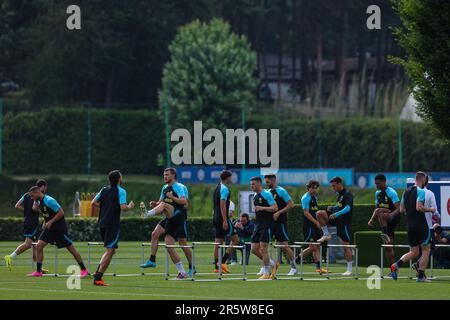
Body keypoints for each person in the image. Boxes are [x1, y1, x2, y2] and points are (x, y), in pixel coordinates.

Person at [28, 186, 89, 278]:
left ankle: (84, 270)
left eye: (32, 196)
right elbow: (47, 213)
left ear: (37, 193)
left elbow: (61, 213)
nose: (32, 198)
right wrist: (46, 222)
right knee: (38, 246)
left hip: (59, 228)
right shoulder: (39, 201)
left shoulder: (49, 200)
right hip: (50, 229)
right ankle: (38, 271)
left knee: (71, 249)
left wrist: (50, 222)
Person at [140, 175, 194, 277]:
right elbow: (161, 203)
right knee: (156, 235)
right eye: (164, 175)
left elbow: (185, 204)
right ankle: (152, 260)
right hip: (169, 217)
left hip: (178, 217)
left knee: (183, 244)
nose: (165, 176)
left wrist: (172, 198)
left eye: (167, 175)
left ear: (173, 176)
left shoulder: (180, 187)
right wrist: (155, 204)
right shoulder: (164, 188)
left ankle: (192, 266)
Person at [91, 170, 135, 286]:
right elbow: (123, 207)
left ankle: (97, 272)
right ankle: (98, 278)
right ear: (119, 179)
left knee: (110, 250)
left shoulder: (103, 190)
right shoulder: (121, 191)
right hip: (112, 224)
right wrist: (130, 206)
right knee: (110, 250)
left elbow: (93, 202)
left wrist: (105, 206)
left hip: (102, 223)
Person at [390, 171, 435, 282]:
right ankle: (421, 276)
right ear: (423, 179)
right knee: (426, 250)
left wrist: (410, 212)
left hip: (410, 225)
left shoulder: (406, 192)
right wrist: (430, 210)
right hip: (420, 225)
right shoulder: (421, 191)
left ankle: (396, 265)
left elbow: (401, 210)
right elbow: (419, 207)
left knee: (414, 251)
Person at [5, 180, 48, 272]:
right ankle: (10, 257)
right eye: (45, 187)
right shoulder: (38, 198)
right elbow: (34, 208)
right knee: (29, 244)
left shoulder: (26, 195)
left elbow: (17, 206)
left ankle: (38, 268)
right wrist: (42, 212)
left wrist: (26, 211)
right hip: (32, 223)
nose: (45, 189)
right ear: (42, 187)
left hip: (27, 221)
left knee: (35, 245)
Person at [316, 177, 354, 276]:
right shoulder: (340, 195)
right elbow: (340, 206)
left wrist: (336, 214)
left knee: (345, 245)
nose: (333, 188)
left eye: (333, 186)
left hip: (344, 222)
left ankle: (349, 269)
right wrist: (333, 208)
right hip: (337, 220)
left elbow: (348, 208)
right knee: (319, 213)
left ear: (339, 184)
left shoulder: (347, 194)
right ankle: (326, 234)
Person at [263, 174, 297, 275]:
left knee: (284, 246)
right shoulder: (267, 192)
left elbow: (291, 204)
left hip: (280, 223)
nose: (266, 183)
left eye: (268, 182)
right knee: (263, 245)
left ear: (273, 180)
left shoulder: (281, 191)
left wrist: (279, 212)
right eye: (265, 182)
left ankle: (294, 267)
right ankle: (266, 266)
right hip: (269, 223)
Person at [367, 174, 401, 264]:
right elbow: (376, 209)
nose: (376, 186)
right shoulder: (377, 193)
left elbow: (399, 208)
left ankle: (385, 233)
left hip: (393, 216)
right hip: (384, 219)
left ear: (384, 182)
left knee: (380, 211)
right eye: (375, 184)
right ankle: (393, 269)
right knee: (388, 247)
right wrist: (371, 219)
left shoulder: (391, 192)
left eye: (378, 183)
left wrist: (391, 215)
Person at [250, 176, 278, 280]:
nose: (251, 186)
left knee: (263, 249)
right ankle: (272, 263)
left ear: (258, 183)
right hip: (258, 225)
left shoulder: (266, 194)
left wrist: (262, 208)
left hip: (266, 225)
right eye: (251, 184)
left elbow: (275, 208)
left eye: (253, 184)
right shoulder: (255, 196)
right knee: (253, 249)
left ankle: (266, 273)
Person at [212, 170, 239, 274]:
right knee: (236, 240)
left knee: (218, 243)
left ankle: (216, 266)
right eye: (230, 177)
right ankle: (222, 263)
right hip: (222, 219)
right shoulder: (224, 189)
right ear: (227, 178)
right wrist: (225, 221)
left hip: (216, 218)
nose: (231, 179)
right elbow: (223, 205)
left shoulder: (217, 187)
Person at [412, 175, 440, 274]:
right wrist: (438, 216)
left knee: (417, 250)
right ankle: (420, 272)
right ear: (426, 182)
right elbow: (434, 210)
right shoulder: (429, 193)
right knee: (428, 249)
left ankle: (418, 267)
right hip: (427, 227)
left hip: (413, 226)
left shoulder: (410, 192)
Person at [300, 180, 327, 274]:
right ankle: (296, 259)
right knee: (313, 247)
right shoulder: (305, 198)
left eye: (316, 188)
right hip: (309, 226)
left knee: (318, 246)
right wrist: (316, 222)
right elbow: (306, 213)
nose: (314, 190)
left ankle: (319, 268)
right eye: (312, 188)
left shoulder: (314, 198)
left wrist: (319, 222)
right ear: (308, 188)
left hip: (315, 225)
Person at [225, 201, 239, 265]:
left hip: (228, 226)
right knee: (224, 244)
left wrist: (222, 213)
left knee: (232, 242)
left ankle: (234, 259)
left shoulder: (231, 203)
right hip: (222, 226)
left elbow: (231, 214)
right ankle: (226, 259)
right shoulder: (219, 201)